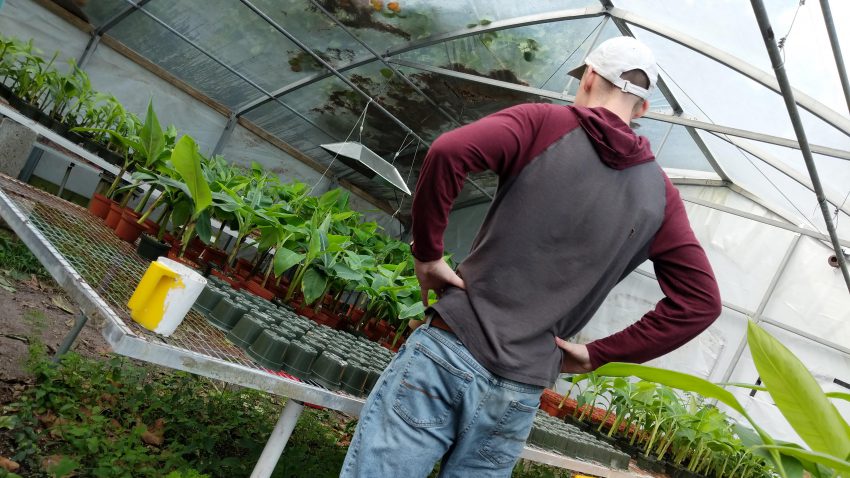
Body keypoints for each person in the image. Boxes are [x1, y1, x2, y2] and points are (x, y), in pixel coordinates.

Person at [340, 36, 721, 478]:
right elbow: (701, 303)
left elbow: (449, 151)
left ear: (590, 77)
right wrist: (597, 354)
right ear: (642, 110)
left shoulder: (543, 123)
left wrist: (427, 255)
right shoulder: (661, 196)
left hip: (452, 350)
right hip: (520, 388)